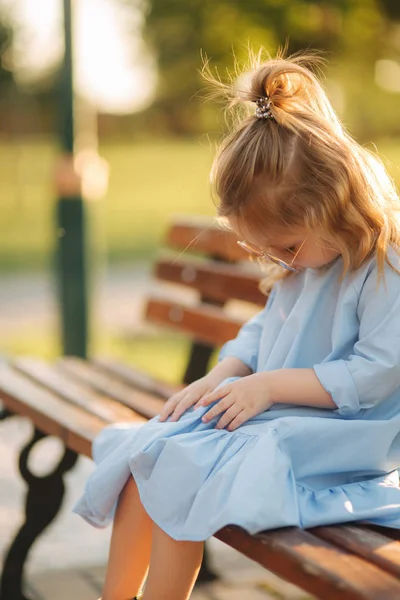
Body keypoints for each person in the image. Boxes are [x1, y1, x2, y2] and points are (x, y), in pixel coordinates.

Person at [73, 50, 400, 600]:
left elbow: (375, 374)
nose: (283, 261)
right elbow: (260, 332)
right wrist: (220, 377)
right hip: (285, 415)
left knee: (180, 466)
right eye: (272, 251)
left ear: (333, 204)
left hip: (348, 438)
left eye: (287, 246)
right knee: (146, 456)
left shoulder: (383, 263)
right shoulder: (310, 261)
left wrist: (267, 386)